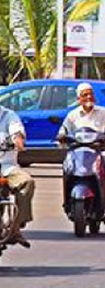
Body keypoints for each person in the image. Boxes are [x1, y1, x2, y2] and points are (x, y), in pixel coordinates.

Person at [58, 83, 105, 195]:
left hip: (100, 149)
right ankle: (67, 197)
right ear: (78, 98)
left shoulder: (104, 112)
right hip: (78, 151)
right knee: (67, 167)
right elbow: (64, 129)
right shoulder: (72, 115)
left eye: (91, 94)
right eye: (85, 95)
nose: (89, 97)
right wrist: (61, 136)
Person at [0, 104, 33, 248]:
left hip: (6, 167)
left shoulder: (8, 116)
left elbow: (17, 132)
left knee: (27, 182)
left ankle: (16, 227)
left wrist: (18, 141)